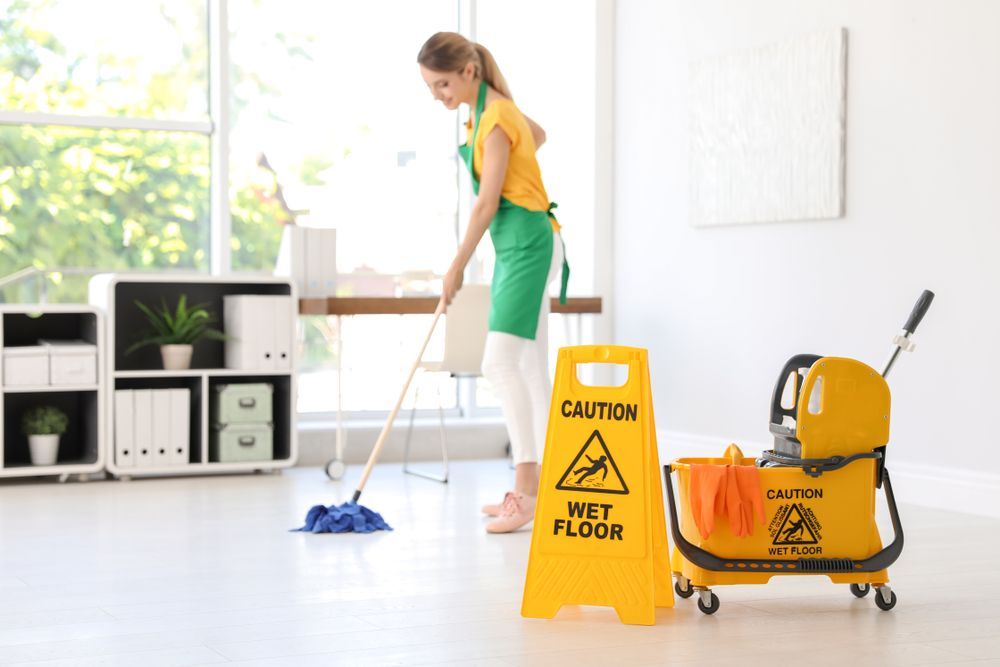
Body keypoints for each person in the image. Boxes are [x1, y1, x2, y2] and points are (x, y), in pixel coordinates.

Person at [418, 32, 569, 533]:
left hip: (526, 242)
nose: (437, 94)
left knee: (498, 362)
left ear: (468, 72)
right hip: (517, 244)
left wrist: (457, 265)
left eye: (441, 84)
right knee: (527, 367)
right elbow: (539, 134)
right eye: (431, 86)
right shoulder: (491, 114)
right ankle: (552, 491)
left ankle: (526, 491)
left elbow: (486, 203)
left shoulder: (496, 117)